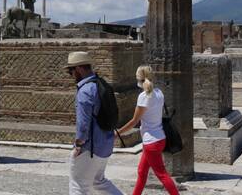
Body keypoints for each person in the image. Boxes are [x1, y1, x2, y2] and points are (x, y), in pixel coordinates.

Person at [66, 51, 123, 195]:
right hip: (105, 144)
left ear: (78, 69)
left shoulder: (85, 90)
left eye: (70, 71)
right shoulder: (101, 84)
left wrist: (78, 145)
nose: (71, 75)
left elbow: (83, 124)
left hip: (89, 148)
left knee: (78, 185)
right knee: (99, 181)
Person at [117, 66, 179, 195]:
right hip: (158, 138)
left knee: (162, 174)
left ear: (139, 79)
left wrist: (118, 132)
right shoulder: (159, 93)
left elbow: (134, 121)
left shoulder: (144, 96)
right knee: (142, 171)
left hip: (151, 142)